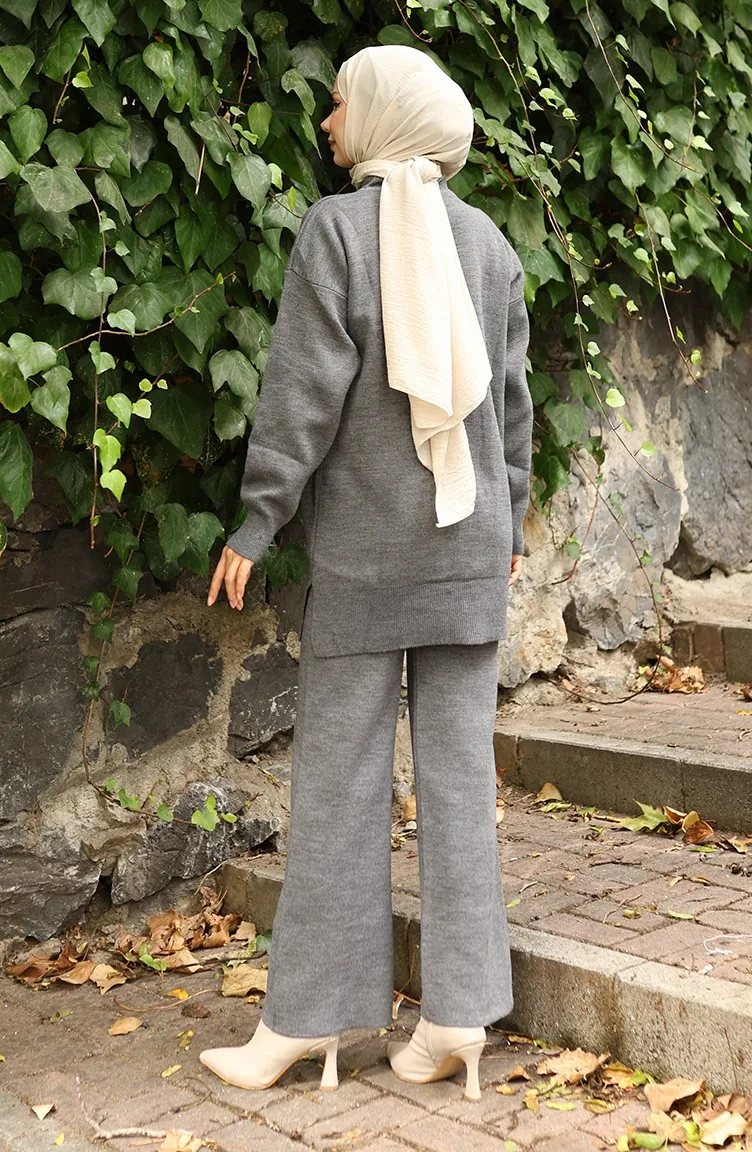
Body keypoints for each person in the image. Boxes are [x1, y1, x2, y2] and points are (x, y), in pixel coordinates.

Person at [200, 44, 533, 1102]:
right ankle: (457, 1020)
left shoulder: (338, 233)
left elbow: (301, 395)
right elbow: (512, 410)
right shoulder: (489, 245)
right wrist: (511, 520)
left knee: (338, 784)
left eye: (339, 104)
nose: (328, 122)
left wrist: (257, 522)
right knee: (456, 785)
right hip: (470, 550)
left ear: (384, 113)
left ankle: (310, 1022)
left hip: (363, 559)